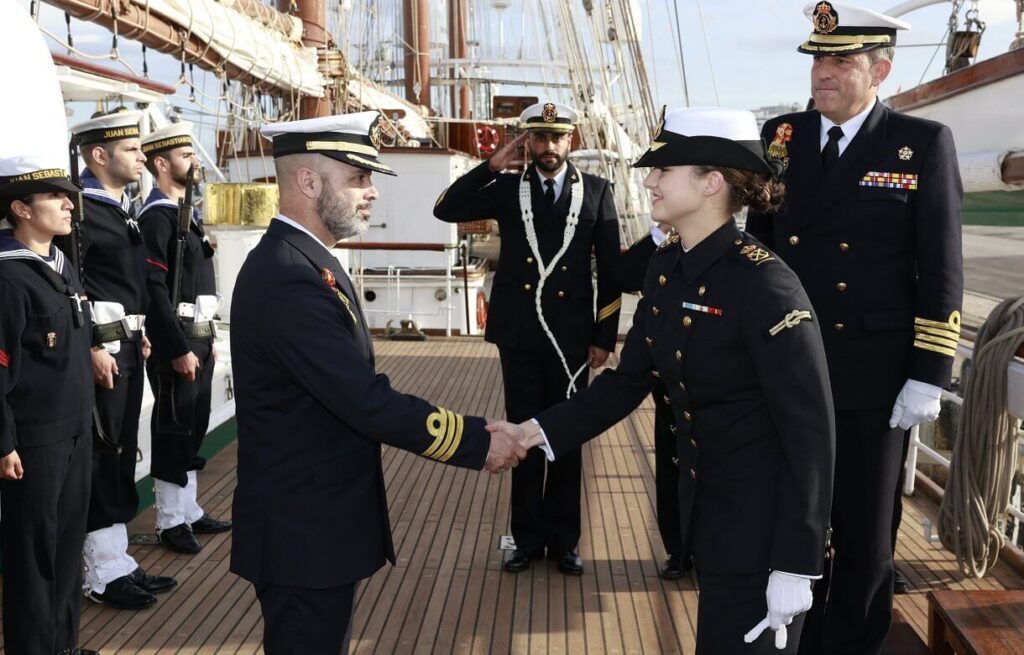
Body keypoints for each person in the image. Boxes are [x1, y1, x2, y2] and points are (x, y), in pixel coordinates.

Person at [494, 107, 836, 653]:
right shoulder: (667, 266)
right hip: (709, 511)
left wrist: (797, 563)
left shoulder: (766, 285)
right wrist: (533, 431)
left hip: (761, 527)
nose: (649, 180)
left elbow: (810, 433)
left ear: (710, 183)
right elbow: (628, 382)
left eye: (664, 170)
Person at [229, 111, 527, 654]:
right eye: (358, 179)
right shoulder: (290, 278)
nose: (371, 193)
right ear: (309, 182)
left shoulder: (309, 262)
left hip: (316, 525)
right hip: (303, 535)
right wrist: (477, 440)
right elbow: (364, 401)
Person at [745, 4, 964, 653]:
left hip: (876, 377)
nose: (824, 72)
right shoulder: (780, 137)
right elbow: (757, 253)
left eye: (842, 60)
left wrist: (929, 374)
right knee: (789, 522)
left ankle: (856, 643)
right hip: (789, 370)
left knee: (866, 536)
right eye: (818, 58)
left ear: (881, 69)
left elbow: (942, 267)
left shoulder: (920, 143)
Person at [434, 101, 622, 575]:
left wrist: (604, 335)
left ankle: (565, 542)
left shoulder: (598, 192)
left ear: (571, 139)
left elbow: (612, 274)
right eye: (539, 138)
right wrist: (489, 166)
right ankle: (524, 540)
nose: (549, 148)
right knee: (520, 435)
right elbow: (446, 209)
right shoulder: (505, 187)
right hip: (519, 333)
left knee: (567, 436)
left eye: (556, 138)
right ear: (528, 143)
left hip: (573, 339)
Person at [70, 110, 177, 610]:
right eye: (131, 150)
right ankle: (100, 572)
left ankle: (118, 559)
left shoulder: (120, 210)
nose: (141, 156)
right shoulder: (83, 211)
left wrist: (143, 333)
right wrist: (91, 344)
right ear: (99, 155)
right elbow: (72, 284)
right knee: (103, 450)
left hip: (130, 348)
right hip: (104, 354)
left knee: (121, 451)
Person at [0, 159, 95, 653]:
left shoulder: (60, 265)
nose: (68, 204)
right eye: (54, 197)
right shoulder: (8, 279)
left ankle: (62, 644)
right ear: (19, 208)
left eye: (70, 195)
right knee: (32, 557)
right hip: (34, 441)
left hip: (76, 429)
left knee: (65, 548)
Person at [139, 122, 231, 555]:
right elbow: (154, 292)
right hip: (176, 343)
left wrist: (204, 337)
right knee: (174, 427)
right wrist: (175, 348)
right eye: (185, 156)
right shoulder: (156, 217)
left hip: (198, 337)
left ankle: (188, 509)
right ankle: (170, 521)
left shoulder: (183, 216)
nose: (195, 161)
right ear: (161, 163)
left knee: (194, 425)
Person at [613, 222, 691, 580]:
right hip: (669, 383)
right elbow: (623, 275)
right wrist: (661, 234)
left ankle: (707, 551)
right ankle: (678, 550)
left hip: (714, 387)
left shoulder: (738, 253)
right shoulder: (664, 246)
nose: (652, 185)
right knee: (671, 465)